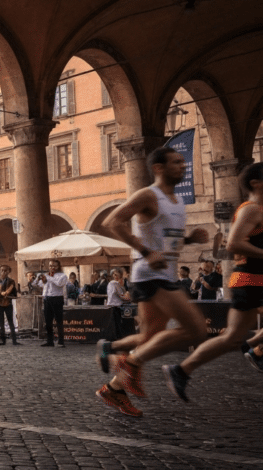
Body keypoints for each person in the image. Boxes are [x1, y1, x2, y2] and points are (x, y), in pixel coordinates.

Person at [95, 147, 209, 416]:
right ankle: (129, 362)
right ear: (158, 168)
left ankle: (115, 389)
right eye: (176, 162)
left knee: (149, 337)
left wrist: (191, 239)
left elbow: (169, 238)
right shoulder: (148, 195)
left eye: (183, 162)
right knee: (196, 330)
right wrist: (147, 252)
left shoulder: (177, 200)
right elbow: (113, 222)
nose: (183, 166)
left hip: (164, 274)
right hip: (150, 274)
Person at [163, 162, 263, 400]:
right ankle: (181, 369)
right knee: (231, 338)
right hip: (249, 279)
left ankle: (254, 350)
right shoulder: (251, 210)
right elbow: (234, 243)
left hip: (255, 279)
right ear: (255, 182)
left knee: (231, 338)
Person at [38, 260, 67, 347]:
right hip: (47, 298)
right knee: (48, 321)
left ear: (58, 266)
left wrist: (49, 277)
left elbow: (59, 284)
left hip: (57, 299)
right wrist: (39, 279)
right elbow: (41, 285)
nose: (52, 268)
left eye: (54, 266)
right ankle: (49, 341)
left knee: (59, 321)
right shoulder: (47, 275)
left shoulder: (62, 275)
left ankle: (61, 341)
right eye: (50, 266)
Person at [0, 265, 18, 345]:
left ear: (8, 271)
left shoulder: (11, 281)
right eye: (2, 270)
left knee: (10, 321)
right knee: (1, 322)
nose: (3, 272)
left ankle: (14, 340)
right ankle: (3, 340)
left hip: (7, 303)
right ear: (0, 271)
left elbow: (9, 290)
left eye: (5, 270)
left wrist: (3, 292)